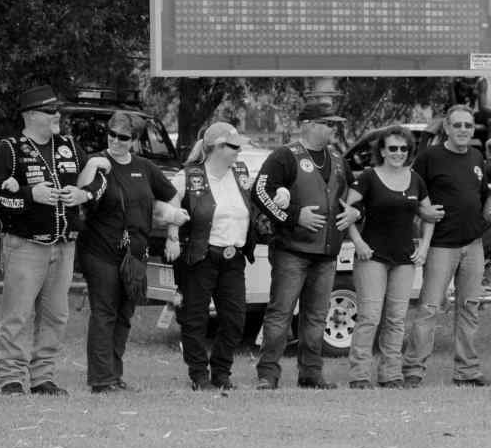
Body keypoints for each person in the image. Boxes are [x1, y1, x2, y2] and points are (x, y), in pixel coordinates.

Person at [0, 85, 105, 396]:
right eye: (51, 111)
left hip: (65, 245)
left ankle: (43, 378)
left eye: (58, 111)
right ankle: (11, 379)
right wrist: (30, 195)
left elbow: (100, 180)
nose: (58, 117)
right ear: (31, 115)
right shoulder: (10, 148)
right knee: (17, 314)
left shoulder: (68, 145)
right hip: (25, 245)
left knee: (56, 315)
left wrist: (84, 193)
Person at [252, 104, 360, 390]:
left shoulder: (337, 159)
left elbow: (356, 193)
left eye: (334, 123)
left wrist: (355, 212)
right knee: (280, 313)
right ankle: (268, 375)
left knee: (315, 317)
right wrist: (294, 215)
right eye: (327, 123)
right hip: (291, 250)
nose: (333, 128)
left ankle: (311, 374)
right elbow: (260, 192)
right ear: (308, 124)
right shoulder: (284, 156)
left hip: (326, 254)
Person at [76, 112, 186, 394]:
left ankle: (114, 375)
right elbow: (81, 191)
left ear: (135, 140)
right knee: (105, 312)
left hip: (135, 253)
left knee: (125, 313)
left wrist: (172, 227)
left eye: (123, 137)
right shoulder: (98, 162)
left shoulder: (145, 167)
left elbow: (171, 195)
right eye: (111, 134)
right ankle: (101, 380)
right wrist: (92, 165)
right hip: (100, 250)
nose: (115, 141)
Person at [402, 104, 491, 388]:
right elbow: (409, 191)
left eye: (468, 125)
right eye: (458, 125)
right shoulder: (430, 157)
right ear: (447, 129)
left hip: (473, 245)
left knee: (469, 308)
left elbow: (482, 193)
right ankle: (413, 370)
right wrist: (423, 213)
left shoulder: (477, 157)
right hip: (441, 245)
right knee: (429, 308)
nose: (464, 129)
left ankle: (466, 371)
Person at [163, 122, 256, 391]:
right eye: (234, 146)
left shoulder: (240, 172)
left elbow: (251, 205)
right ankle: (199, 375)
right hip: (201, 256)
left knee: (235, 319)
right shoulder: (190, 176)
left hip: (233, 258)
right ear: (216, 148)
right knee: (195, 319)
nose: (239, 152)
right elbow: (168, 200)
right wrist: (172, 234)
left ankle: (221, 373)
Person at [345, 125, 434, 389]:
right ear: (381, 150)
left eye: (403, 148)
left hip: (404, 260)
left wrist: (425, 246)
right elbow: (347, 212)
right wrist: (358, 242)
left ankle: (391, 374)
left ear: (409, 151)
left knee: (396, 319)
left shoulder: (416, 179)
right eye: (392, 148)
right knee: (370, 316)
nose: (398, 153)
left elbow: (429, 215)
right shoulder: (369, 177)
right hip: (371, 257)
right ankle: (360, 375)